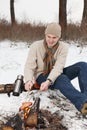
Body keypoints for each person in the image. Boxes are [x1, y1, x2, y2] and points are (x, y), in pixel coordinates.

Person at [24, 22, 87, 117]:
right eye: (49, 36)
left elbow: (58, 67)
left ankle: (85, 100)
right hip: (42, 75)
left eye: (54, 37)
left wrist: (49, 81)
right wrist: (28, 80)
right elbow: (29, 66)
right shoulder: (35, 46)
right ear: (45, 35)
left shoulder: (63, 47)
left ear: (59, 37)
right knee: (61, 78)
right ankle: (83, 104)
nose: (51, 40)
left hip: (57, 72)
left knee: (82, 65)